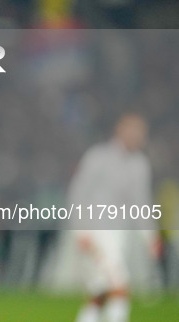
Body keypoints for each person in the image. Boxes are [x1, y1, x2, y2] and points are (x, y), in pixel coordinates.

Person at [69, 114, 160, 322]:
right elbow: (79, 194)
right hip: (96, 230)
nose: (137, 136)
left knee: (101, 291)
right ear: (119, 130)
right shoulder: (98, 157)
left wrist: (150, 237)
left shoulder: (139, 164)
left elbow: (142, 204)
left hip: (120, 233)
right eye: (133, 130)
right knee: (120, 284)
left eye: (141, 132)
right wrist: (80, 230)